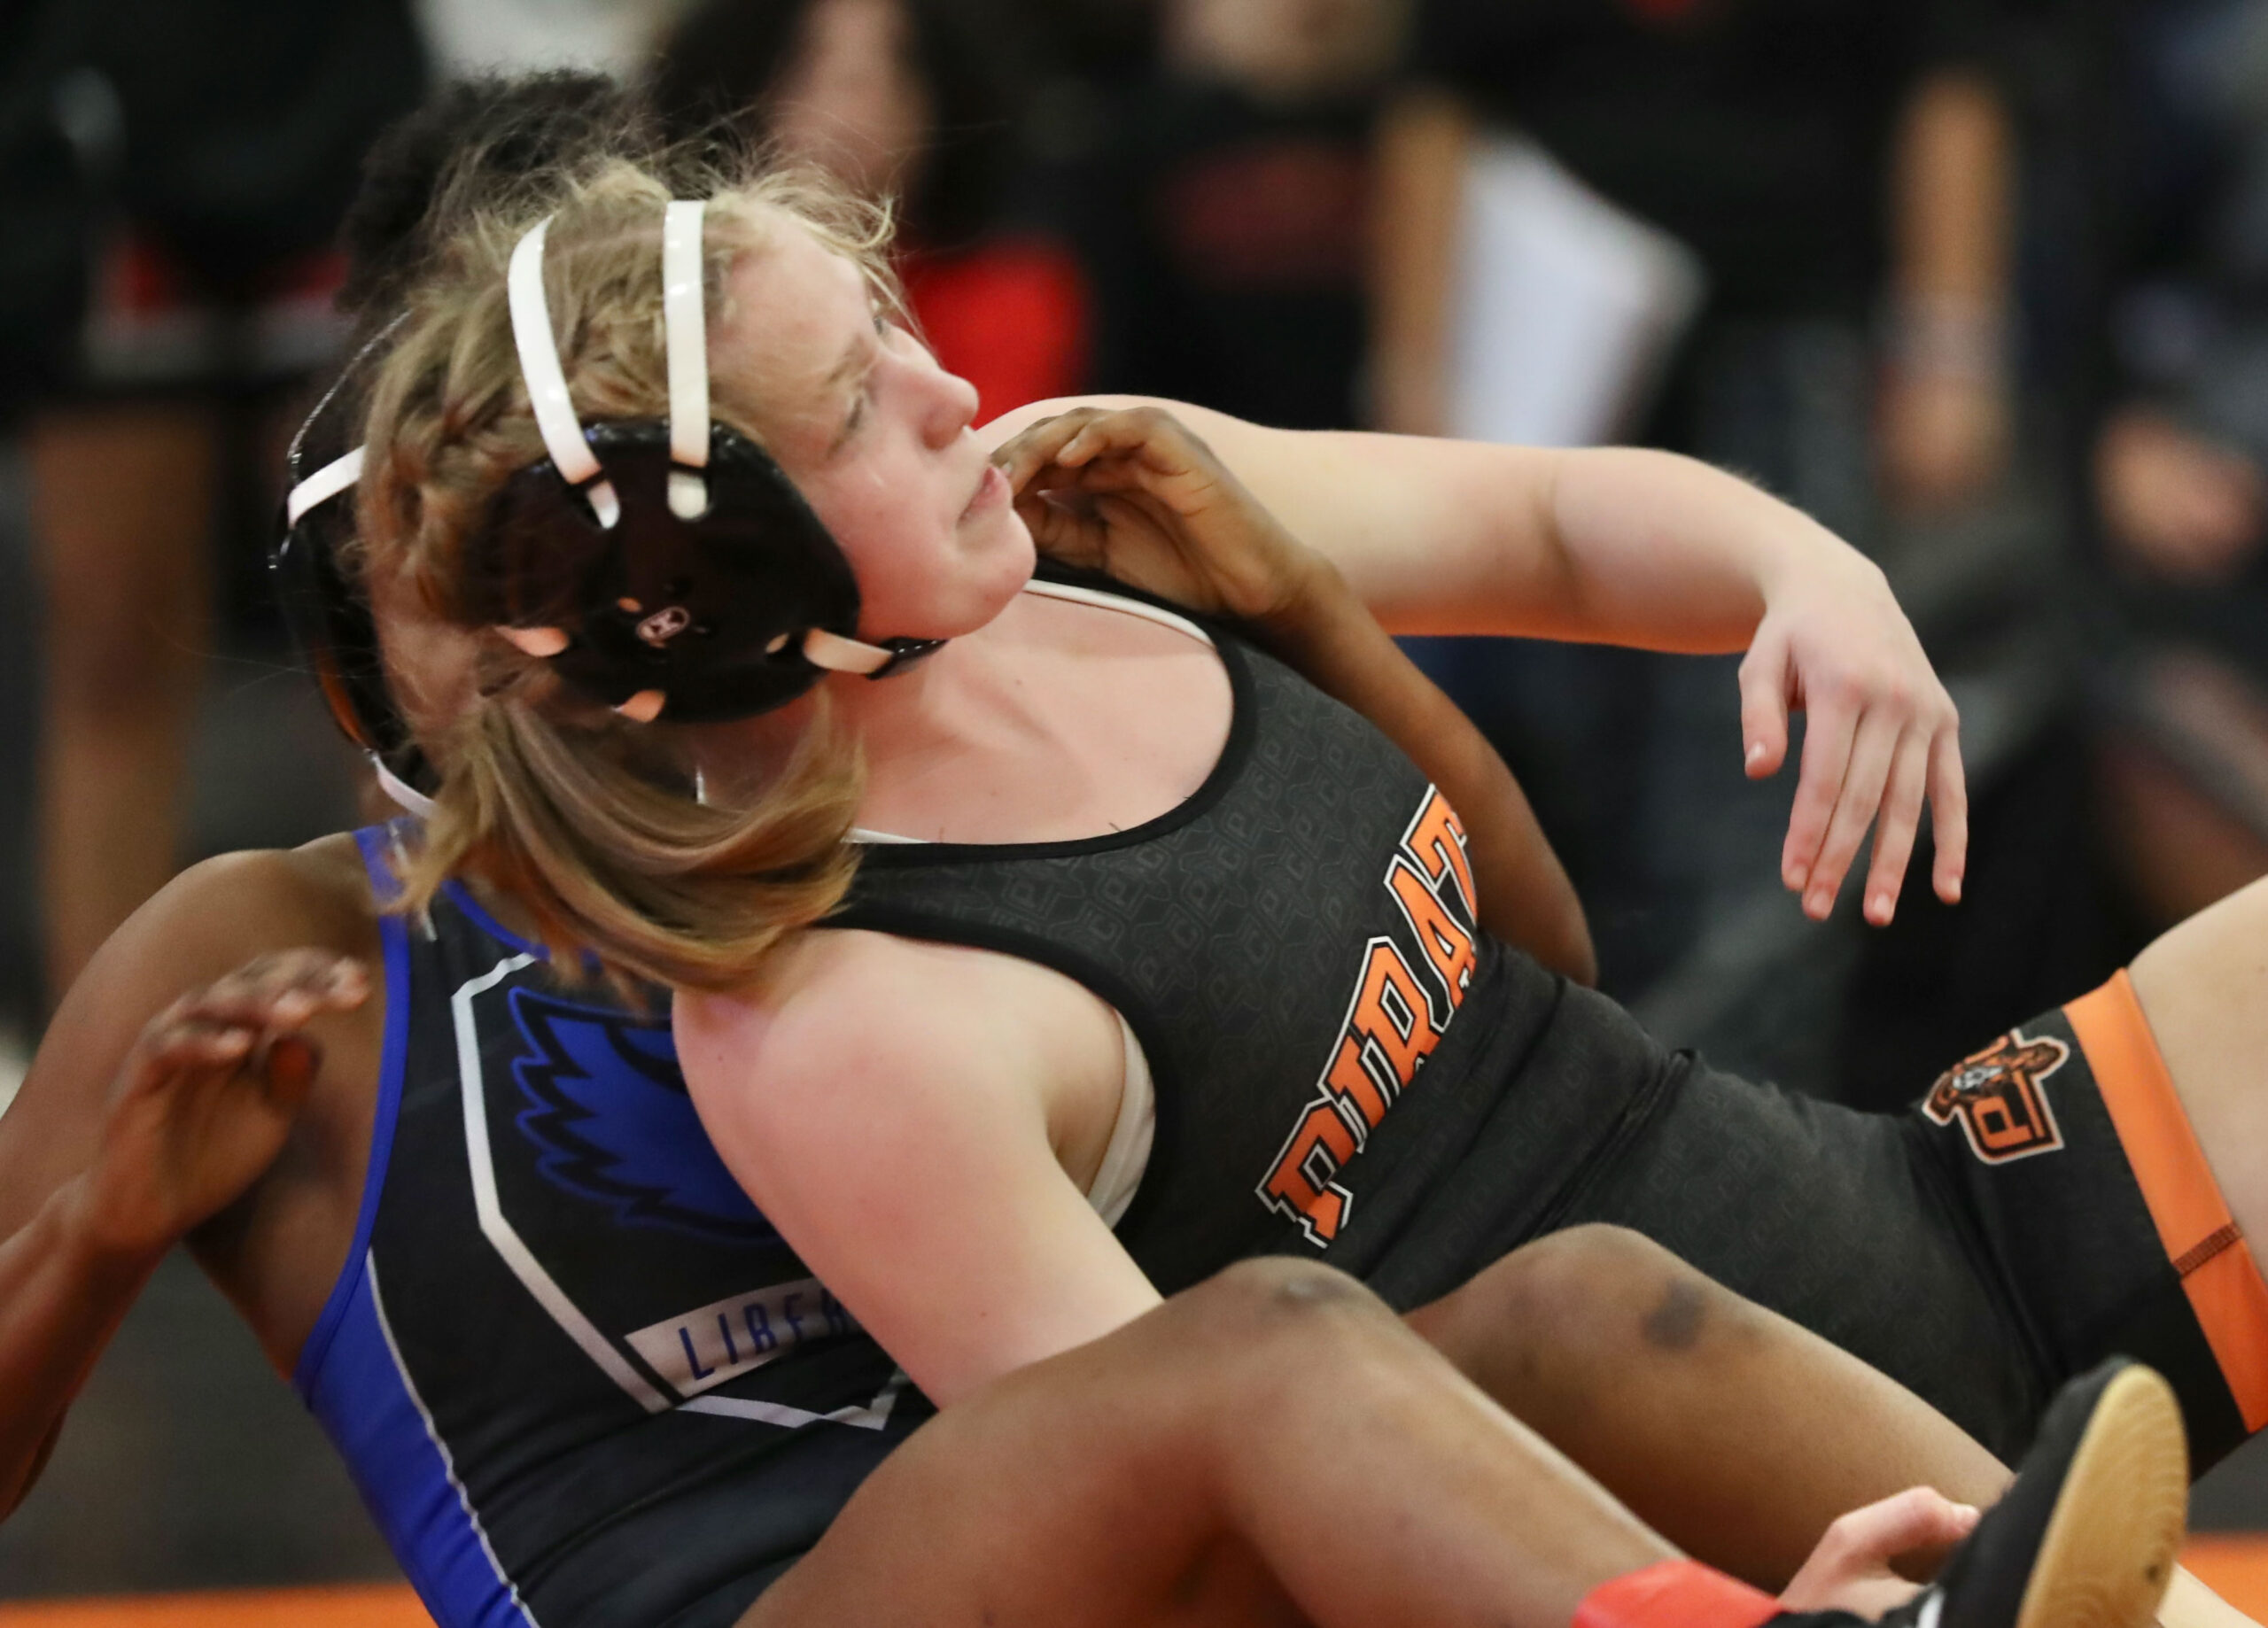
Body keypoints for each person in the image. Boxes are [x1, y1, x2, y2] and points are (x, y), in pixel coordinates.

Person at [0, 103, 2243, 1625]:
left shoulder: (1026, 562)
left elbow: (1530, 982)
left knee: (1509, 1306)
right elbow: (1204, 1495)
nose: (950, 394)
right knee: (1290, 1348)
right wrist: (94, 1242)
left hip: (1675, 1316)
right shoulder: (764, 1005)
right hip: (954, 1549)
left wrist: (1320, 616)